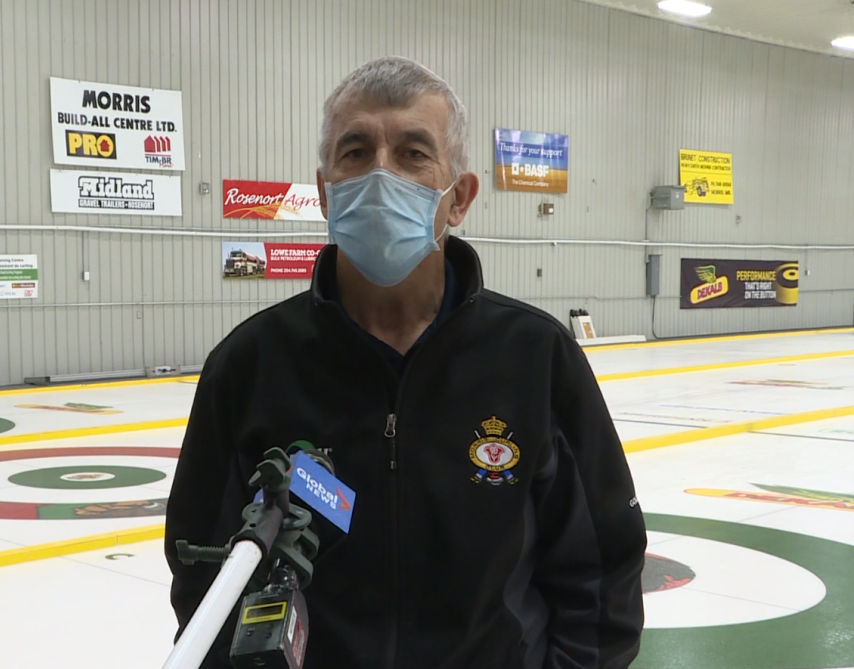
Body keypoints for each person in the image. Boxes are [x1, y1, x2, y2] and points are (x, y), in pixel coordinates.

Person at [165, 55, 646, 669]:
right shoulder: (249, 364)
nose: (380, 174)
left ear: (459, 198)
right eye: (356, 151)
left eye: (414, 153)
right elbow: (203, 574)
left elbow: (601, 563)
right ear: (325, 191)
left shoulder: (536, 358)